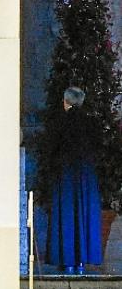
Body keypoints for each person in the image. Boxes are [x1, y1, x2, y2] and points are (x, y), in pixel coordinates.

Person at [47, 87, 102, 273]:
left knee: (67, 217)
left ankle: (68, 261)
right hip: (86, 176)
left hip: (65, 176)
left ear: (66, 101)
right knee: (84, 216)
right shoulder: (92, 122)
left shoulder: (59, 121)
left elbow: (51, 149)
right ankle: (81, 262)